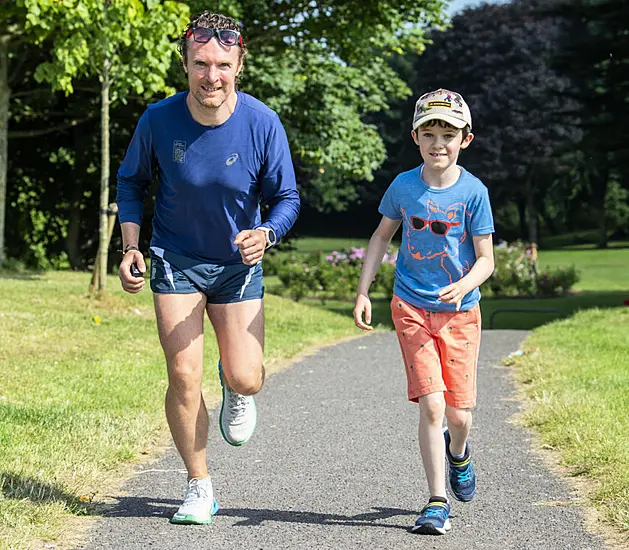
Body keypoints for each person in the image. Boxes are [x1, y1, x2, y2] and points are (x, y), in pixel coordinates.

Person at [116, 10, 300, 525]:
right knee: (182, 375)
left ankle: (235, 387)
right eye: (200, 63)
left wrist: (267, 233)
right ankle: (199, 485)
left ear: (240, 63)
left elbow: (286, 196)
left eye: (222, 63)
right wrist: (131, 247)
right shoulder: (158, 119)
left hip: (238, 266)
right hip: (175, 259)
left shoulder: (262, 123)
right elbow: (131, 183)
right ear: (185, 64)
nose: (210, 76)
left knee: (247, 378)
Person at [353, 89, 494, 535]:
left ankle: (460, 453)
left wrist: (465, 284)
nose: (438, 143)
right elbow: (380, 237)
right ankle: (436, 501)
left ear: (465, 139)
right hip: (411, 306)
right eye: (429, 133)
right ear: (415, 136)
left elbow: (487, 259)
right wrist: (363, 291)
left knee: (458, 415)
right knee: (432, 406)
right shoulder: (404, 186)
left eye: (448, 134)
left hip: (460, 314)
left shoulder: (474, 193)